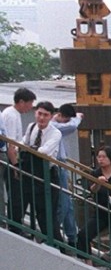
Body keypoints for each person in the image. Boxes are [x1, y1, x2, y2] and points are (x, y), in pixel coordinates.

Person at [77, 146, 111, 270]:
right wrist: (98, 183)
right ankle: (87, 261)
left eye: (103, 157)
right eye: (99, 156)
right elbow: (92, 190)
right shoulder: (96, 173)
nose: (100, 159)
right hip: (101, 211)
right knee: (84, 234)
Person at [18, 101, 62, 239]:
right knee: (32, 207)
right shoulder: (31, 127)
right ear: (35, 113)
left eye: (46, 115)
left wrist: (28, 148)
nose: (41, 118)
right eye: (39, 114)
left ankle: (57, 244)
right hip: (31, 172)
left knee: (47, 213)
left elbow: (44, 151)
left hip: (48, 175)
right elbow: (23, 142)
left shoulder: (55, 133)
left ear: (51, 116)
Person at [2, 87, 35, 227]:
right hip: (10, 157)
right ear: (21, 102)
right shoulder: (11, 115)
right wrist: (15, 165)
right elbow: (10, 142)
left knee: (18, 194)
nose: (31, 107)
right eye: (30, 103)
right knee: (16, 194)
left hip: (13, 155)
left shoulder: (14, 114)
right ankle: (14, 226)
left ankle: (16, 224)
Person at [52, 104, 82, 245]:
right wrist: (77, 118)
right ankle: (54, 231)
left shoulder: (56, 125)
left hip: (62, 165)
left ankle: (72, 237)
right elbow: (72, 126)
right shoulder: (54, 126)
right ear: (62, 116)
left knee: (68, 203)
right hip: (57, 165)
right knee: (63, 202)